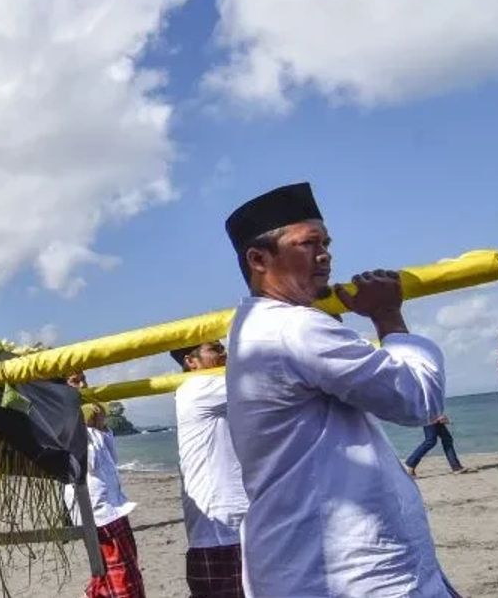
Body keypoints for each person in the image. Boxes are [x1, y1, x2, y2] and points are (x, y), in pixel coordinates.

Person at [223, 183, 457, 597]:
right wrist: (387, 314)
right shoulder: (294, 328)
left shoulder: (256, 327)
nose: (325, 254)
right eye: (308, 244)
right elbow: (418, 400)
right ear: (259, 260)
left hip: (311, 567)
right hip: (352, 574)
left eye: (326, 242)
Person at [170, 342, 247, 598]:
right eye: (214, 348)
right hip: (220, 530)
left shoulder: (206, 387)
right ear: (191, 362)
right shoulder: (199, 387)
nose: (224, 351)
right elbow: (265, 378)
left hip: (232, 525)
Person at [65, 403, 144, 598]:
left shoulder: (91, 429)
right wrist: (89, 426)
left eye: (83, 379)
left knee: (126, 567)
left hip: (114, 507)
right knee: (119, 575)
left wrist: (100, 427)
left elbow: (112, 458)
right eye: (76, 380)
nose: (83, 385)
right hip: (97, 512)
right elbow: (88, 462)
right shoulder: (66, 423)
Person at [404, 415, 468, 476]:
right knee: (430, 441)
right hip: (429, 416)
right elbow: (427, 405)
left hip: (432, 415)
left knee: (446, 439)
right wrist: (438, 415)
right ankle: (410, 464)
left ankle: (456, 467)